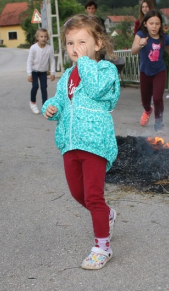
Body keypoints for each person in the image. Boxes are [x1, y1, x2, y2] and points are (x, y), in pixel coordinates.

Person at [42, 15, 120, 270]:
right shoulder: (66, 76)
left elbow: (97, 90)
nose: (74, 48)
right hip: (70, 143)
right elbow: (61, 102)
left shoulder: (105, 70)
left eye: (81, 42)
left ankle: (102, 247)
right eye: (69, 43)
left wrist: (84, 62)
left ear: (98, 43)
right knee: (78, 194)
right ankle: (107, 215)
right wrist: (51, 107)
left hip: (95, 143)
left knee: (94, 196)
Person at [132, 10, 169, 132]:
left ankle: (159, 122)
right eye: (151, 23)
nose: (154, 26)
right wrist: (141, 45)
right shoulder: (141, 34)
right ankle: (148, 110)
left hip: (159, 71)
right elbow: (133, 51)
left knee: (158, 98)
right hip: (145, 72)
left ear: (161, 25)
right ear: (146, 23)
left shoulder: (165, 38)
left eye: (157, 24)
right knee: (145, 101)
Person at [27, 28, 56, 114]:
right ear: (37, 38)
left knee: (44, 87)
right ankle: (32, 103)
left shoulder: (49, 48)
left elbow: (52, 60)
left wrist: (52, 72)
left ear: (47, 38)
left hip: (43, 71)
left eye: (45, 36)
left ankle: (45, 105)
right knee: (35, 86)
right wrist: (29, 74)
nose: (43, 38)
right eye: (41, 36)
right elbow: (29, 61)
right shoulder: (33, 48)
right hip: (34, 71)